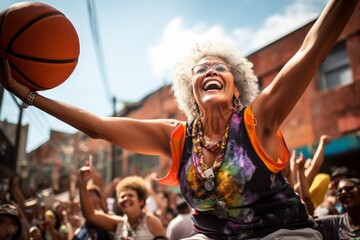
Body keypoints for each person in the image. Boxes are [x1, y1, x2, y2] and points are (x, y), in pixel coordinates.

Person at [0, 0, 358, 238]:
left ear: (237, 88)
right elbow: (96, 126)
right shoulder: (177, 137)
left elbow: (314, 45)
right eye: (202, 70)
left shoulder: (258, 119)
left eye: (221, 67)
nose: (211, 71)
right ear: (193, 90)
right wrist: (28, 94)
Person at [78, 165, 166, 239]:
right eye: (122, 196)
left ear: (141, 201)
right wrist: (83, 183)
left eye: (130, 195)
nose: (125, 199)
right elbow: (90, 215)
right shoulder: (119, 223)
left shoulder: (151, 221)